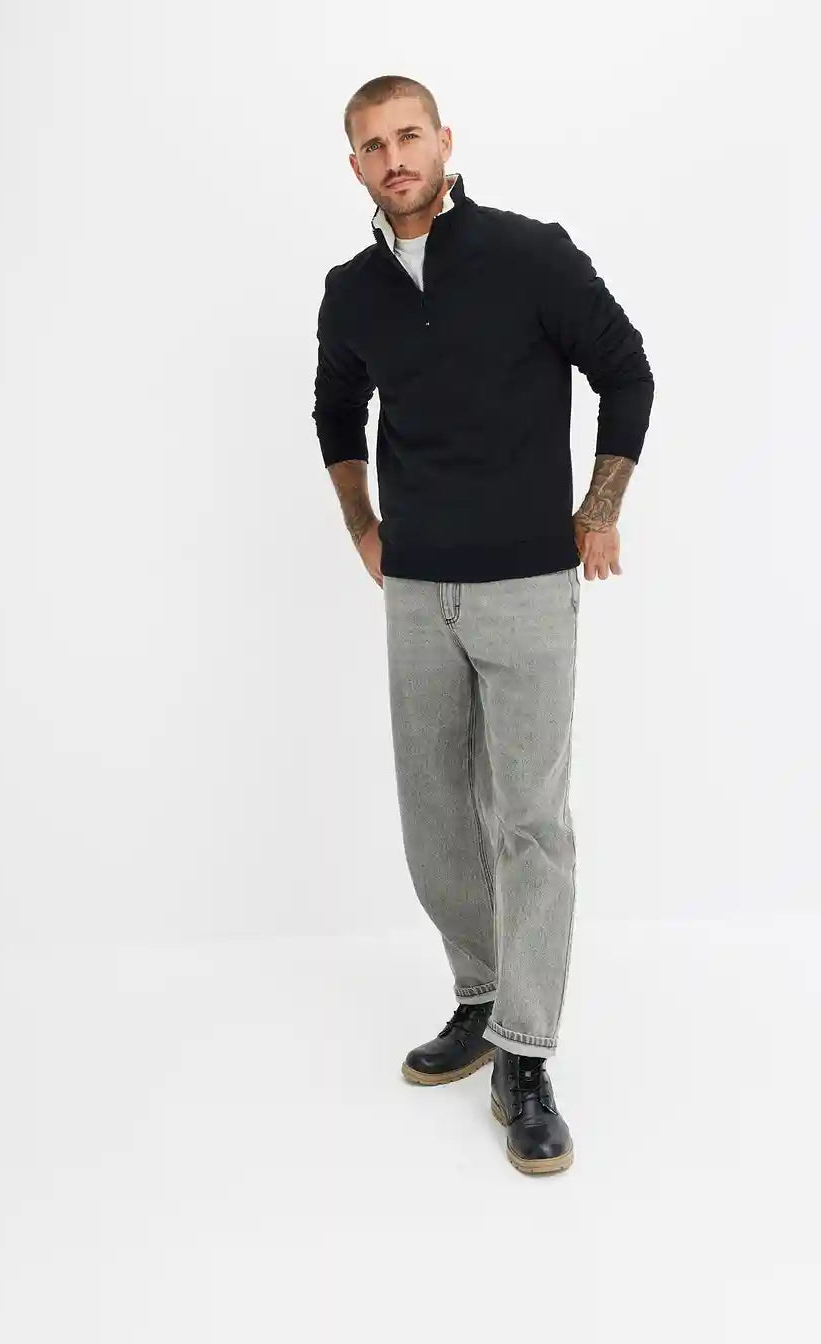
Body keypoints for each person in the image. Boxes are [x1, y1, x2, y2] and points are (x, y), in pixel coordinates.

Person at [311, 75, 654, 1176]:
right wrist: (363, 525)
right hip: (416, 591)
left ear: (445, 141)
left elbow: (626, 370)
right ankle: (481, 993)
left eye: (408, 135)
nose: (394, 157)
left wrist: (599, 510)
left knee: (531, 823)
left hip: (526, 585)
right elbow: (334, 408)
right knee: (436, 824)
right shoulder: (351, 290)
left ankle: (527, 1054)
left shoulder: (526, 253)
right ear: (356, 166)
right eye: (373, 145)